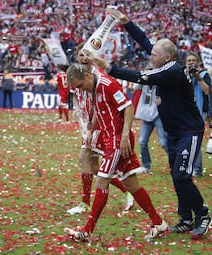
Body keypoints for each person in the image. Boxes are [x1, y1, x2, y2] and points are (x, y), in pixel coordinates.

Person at [107, 8, 212, 239]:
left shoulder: (171, 70)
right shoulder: (165, 62)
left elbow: (141, 77)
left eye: (154, 55)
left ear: (166, 56)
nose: (150, 56)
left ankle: (202, 214)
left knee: (182, 175)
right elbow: (145, 42)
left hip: (190, 131)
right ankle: (185, 218)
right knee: (177, 175)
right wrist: (127, 22)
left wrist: (110, 69)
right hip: (175, 132)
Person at [65, 63, 167, 241]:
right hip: (110, 140)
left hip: (117, 141)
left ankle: (87, 230)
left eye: (80, 86)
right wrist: (90, 130)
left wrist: (126, 134)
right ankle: (158, 222)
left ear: (88, 77)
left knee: (102, 181)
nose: (81, 90)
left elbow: (128, 107)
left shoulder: (107, 84)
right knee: (131, 184)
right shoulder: (94, 89)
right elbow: (98, 110)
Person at [66, 43, 134, 215]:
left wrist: (91, 124)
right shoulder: (75, 75)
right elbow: (76, 97)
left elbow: (113, 101)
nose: (83, 58)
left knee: (86, 160)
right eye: (80, 55)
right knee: (95, 167)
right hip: (87, 124)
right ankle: (127, 191)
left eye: (86, 54)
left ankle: (85, 202)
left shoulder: (98, 76)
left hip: (99, 123)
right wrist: (78, 114)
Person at [185, 52, 212, 176]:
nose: (191, 62)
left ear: (198, 62)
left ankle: (197, 168)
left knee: (195, 140)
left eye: (193, 60)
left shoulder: (204, 75)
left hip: (199, 111)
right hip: (185, 111)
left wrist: (198, 78)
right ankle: (189, 166)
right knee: (187, 140)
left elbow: (207, 91)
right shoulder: (182, 76)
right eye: (188, 60)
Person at [134, 82, 168, 173]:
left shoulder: (159, 81)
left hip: (158, 115)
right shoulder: (144, 83)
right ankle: (146, 166)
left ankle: (175, 161)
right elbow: (135, 87)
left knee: (164, 143)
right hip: (146, 116)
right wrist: (143, 78)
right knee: (142, 142)